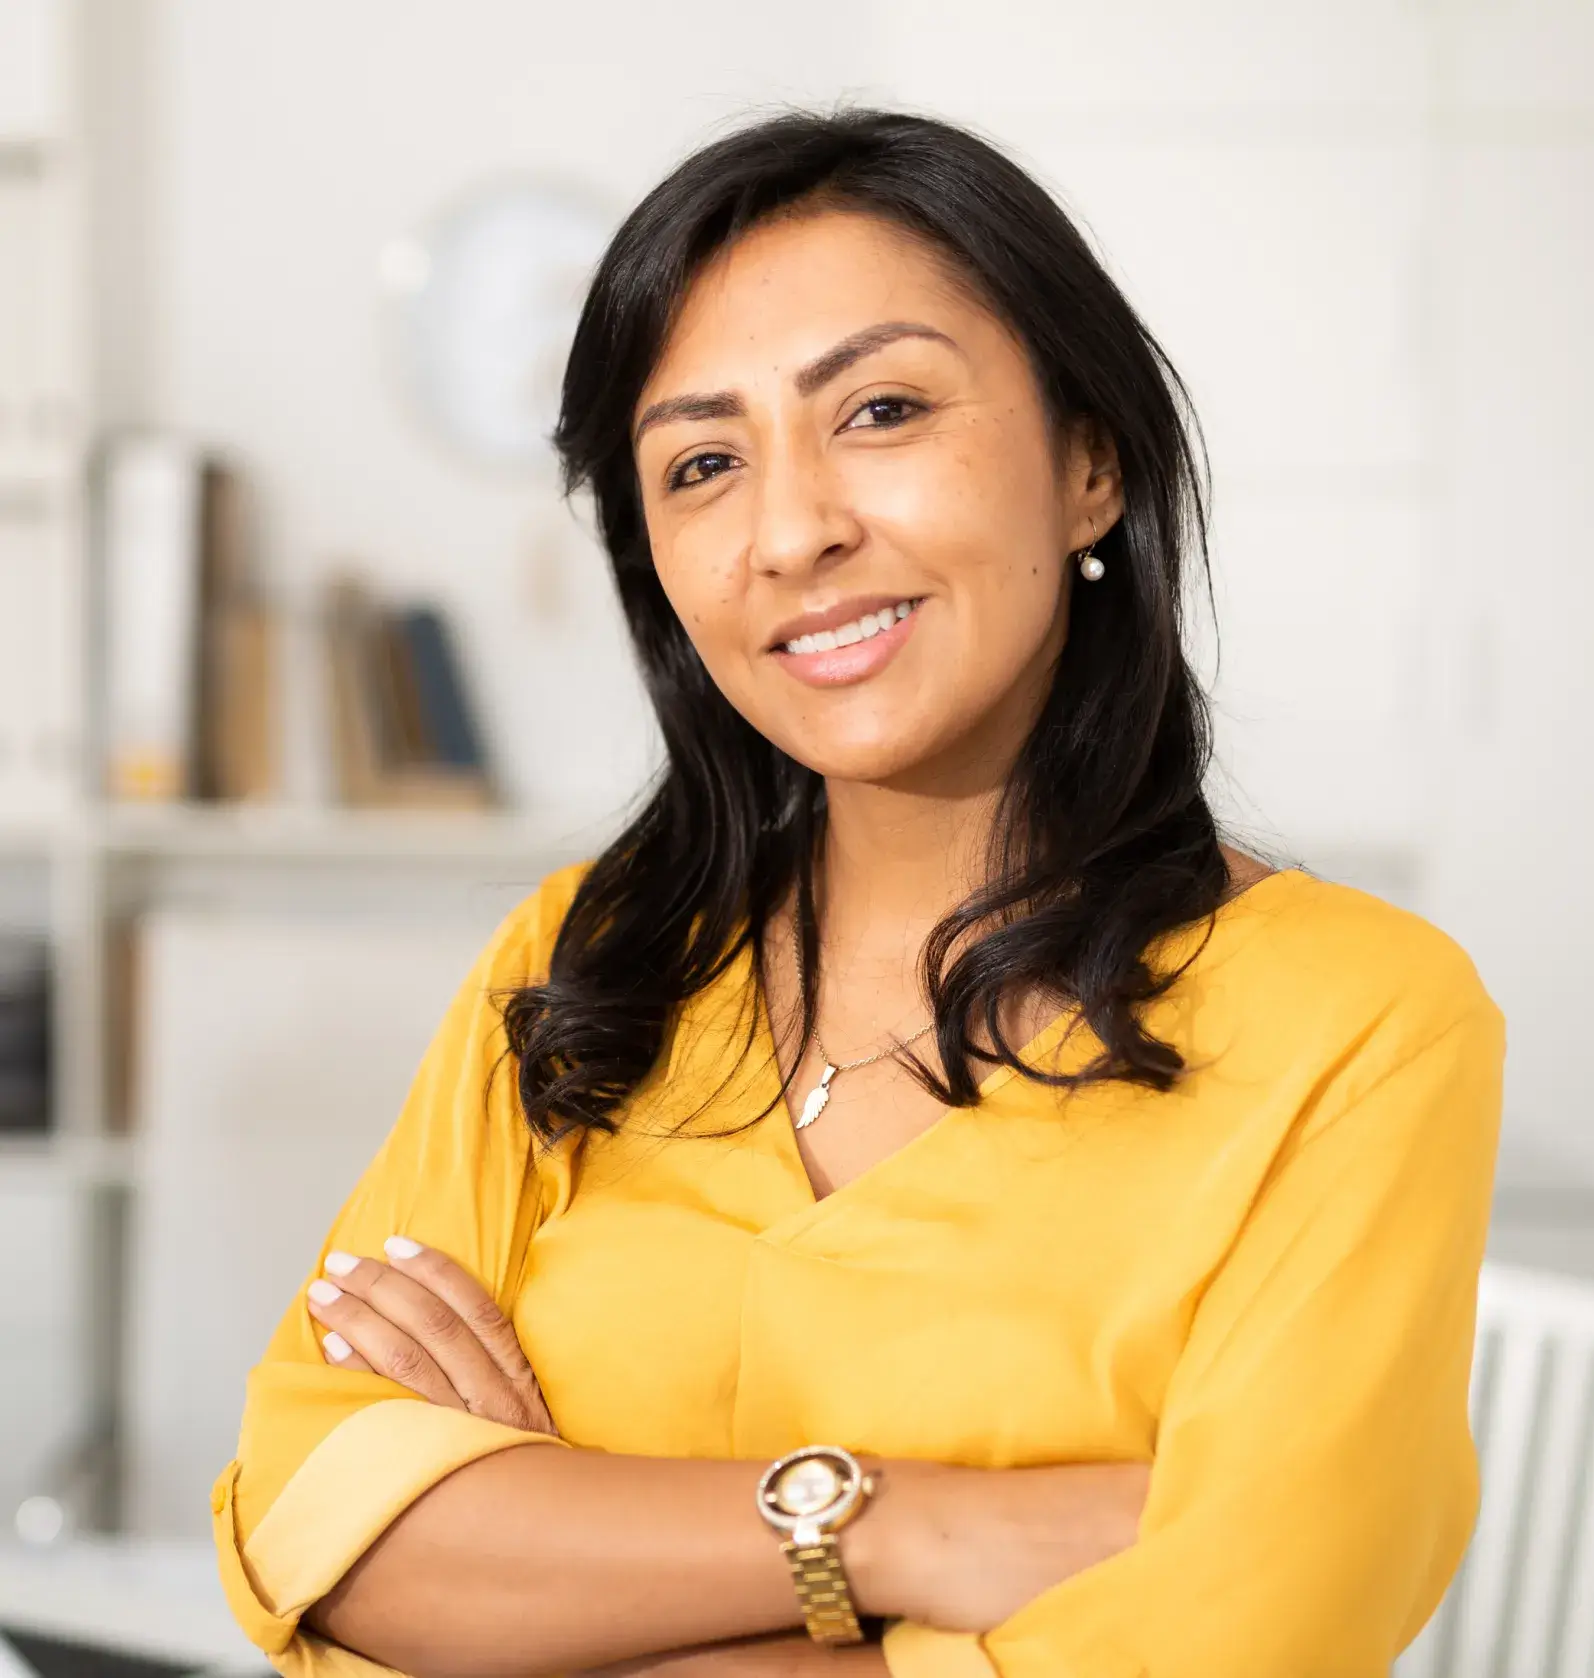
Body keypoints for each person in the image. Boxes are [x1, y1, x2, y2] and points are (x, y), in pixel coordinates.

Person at [211, 106, 1506, 1678]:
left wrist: (548, 1570)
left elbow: (1234, 1641)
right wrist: (895, 1529)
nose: (792, 530)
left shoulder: (1356, 1021)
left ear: (1088, 462)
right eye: (701, 463)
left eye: (880, 409)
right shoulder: (582, 962)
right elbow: (304, 1516)